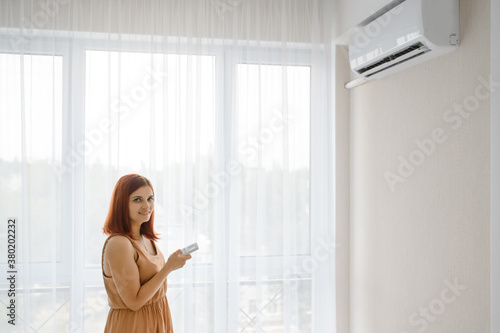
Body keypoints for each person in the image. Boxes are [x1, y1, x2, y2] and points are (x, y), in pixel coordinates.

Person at [101, 174, 191, 332]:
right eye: (137, 199)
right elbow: (134, 302)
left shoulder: (145, 238)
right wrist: (168, 267)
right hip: (133, 325)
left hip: (158, 316)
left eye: (150, 198)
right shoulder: (119, 244)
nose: (147, 206)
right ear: (121, 204)